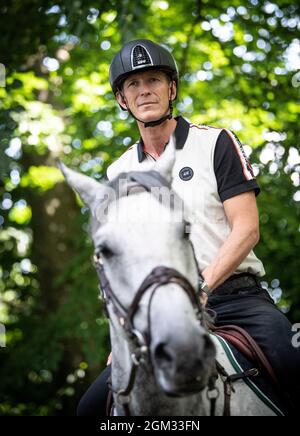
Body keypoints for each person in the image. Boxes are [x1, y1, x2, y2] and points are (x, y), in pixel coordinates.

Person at [77, 39, 300, 416]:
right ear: (122, 99)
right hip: (157, 314)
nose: (144, 89)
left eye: (153, 80)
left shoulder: (215, 143)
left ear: (172, 89)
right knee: (90, 408)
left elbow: (246, 229)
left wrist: (201, 286)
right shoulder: (117, 173)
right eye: (133, 84)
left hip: (234, 299)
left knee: (295, 365)